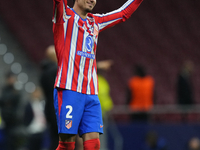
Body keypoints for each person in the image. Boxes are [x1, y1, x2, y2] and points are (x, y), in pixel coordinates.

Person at [52, 0, 143, 149]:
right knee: (67, 145)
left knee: (93, 144)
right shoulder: (65, 16)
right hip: (69, 90)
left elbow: (123, 13)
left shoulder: (95, 22)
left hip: (91, 93)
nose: (92, 0)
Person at [40, 45, 59, 150]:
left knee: (54, 138)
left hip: (49, 108)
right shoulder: (55, 70)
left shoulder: (44, 71)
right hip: (58, 108)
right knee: (65, 139)